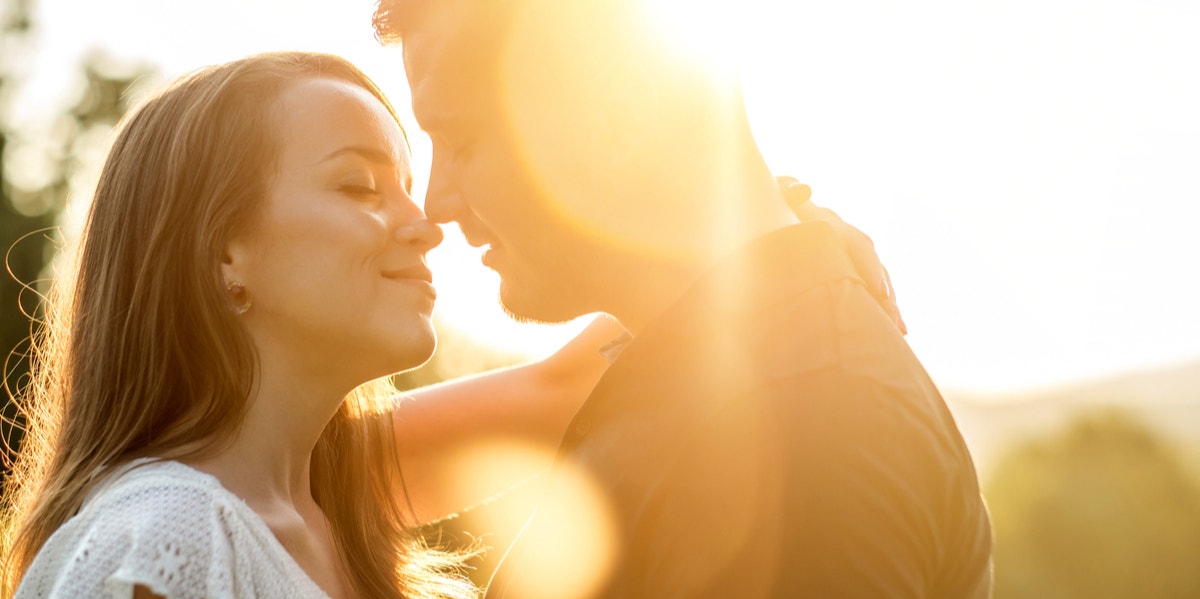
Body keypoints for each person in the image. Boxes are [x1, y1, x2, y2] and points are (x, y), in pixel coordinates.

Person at [0, 49, 887, 598]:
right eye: (357, 185)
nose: (426, 221)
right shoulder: (165, 539)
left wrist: (781, 236)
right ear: (222, 254)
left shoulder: (323, 499)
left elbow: (566, 383)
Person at [373, 0, 993, 597]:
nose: (436, 203)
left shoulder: (809, 430)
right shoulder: (699, 364)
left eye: (460, 141)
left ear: (619, 118)